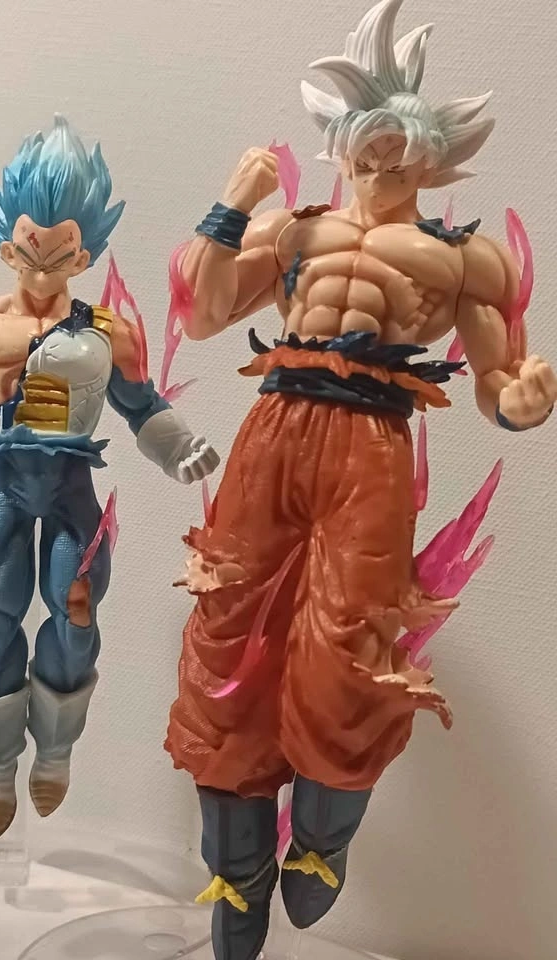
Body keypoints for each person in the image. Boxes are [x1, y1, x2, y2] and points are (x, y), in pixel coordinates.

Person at [164, 3, 556, 958]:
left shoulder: (461, 258)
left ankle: (321, 842)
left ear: (431, 158)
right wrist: (230, 203)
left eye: (398, 149)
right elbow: (205, 313)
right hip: (274, 430)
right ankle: (239, 867)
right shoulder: (292, 233)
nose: (380, 164)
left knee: (353, 642)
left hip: (370, 443)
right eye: (365, 145)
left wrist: (521, 401)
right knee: (227, 627)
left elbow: (496, 378)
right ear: (340, 144)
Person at [0, 115, 219, 841]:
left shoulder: (109, 332)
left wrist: (179, 448)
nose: (45, 263)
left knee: (76, 607)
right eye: (31, 247)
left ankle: (55, 750)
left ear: (84, 252)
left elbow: (141, 405)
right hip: (3, 484)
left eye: (61, 251)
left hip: (70, 486)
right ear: (7, 245)